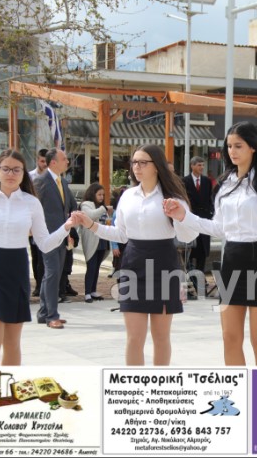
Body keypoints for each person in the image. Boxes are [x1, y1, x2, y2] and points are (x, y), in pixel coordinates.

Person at [164, 121, 257, 366]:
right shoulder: (225, 184)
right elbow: (218, 228)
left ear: (253, 147)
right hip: (232, 259)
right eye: (229, 146)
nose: (232, 151)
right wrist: (184, 216)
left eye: (238, 146)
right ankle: (238, 388)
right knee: (230, 338)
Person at [74, 145, 197, 366]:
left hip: (164, 264)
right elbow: (121, 234)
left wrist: (179, 217)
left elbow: (188, 236)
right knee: (134, 338)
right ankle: (135, 383)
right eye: (134, 162)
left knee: (161, 337)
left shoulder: (174, 198)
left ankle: (160, 383)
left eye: (143, 162)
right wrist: (91, 224)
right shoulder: (128, 196)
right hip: (133, 263)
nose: (136, 167)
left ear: (156, 166)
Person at [0, 149, 78, 365]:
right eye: (6, 169)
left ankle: (10, 385)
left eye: (16, 170)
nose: (11, 173)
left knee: (12, 341)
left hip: (17, 268)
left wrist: (65, 227)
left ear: (23, 173)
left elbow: (44, 243)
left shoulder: (31, 202)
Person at [34, 148, 78, 330]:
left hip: (62, 235)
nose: (67, 161)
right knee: (52, 273)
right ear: (53, 162)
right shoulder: (40, 181)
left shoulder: (63, 182)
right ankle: (52, 316)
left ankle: (44, 312)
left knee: (54, 274)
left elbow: (68, 207)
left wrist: (70, 231)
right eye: (64, 159)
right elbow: (34, 208)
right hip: (47, 236)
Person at [78, 183, 112, 303]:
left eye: (103, 195)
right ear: (93, 194)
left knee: (97, 267)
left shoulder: (101, 207)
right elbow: (91, 215)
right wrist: (104, 208)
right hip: (92, 239)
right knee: (91, 267)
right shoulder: (86, 204)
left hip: (102, 239)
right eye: (99, 194)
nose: (102, 197)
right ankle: (87, 293)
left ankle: (93, 290)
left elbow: (105, 220)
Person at [182, 156, 214, 277]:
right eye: (199, 165)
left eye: (203, 165)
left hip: (204, 219)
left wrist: (211, 213)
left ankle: (200, 279)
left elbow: (210, 199)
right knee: (190, 251)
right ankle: (191, 279)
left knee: (202, 252)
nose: (202, 167)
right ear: (192, 166)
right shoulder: (184, 181)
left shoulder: (207, 181)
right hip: (191, 219)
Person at [29, 149, 48, 297]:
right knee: (36, 255)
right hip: (33, 220)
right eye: (42, 161)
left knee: (46, 255)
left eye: (46, 161)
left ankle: (47, 284)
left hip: (48, 220)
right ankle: (38, 284)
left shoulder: (53, 177)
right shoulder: (30, 177)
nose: (44, 164)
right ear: (37, 160)